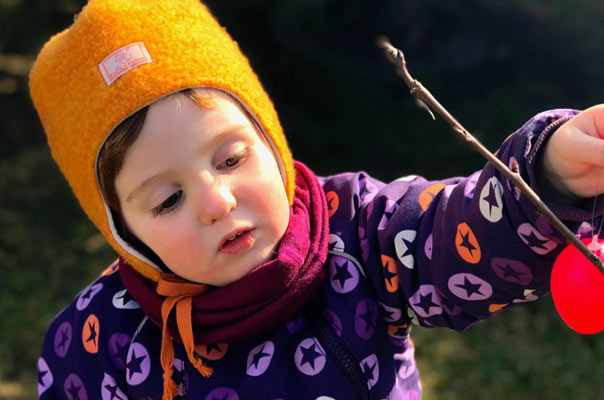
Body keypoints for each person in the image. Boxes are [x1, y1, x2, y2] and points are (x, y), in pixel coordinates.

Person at [30, 0, 604, 399]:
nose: (217, 200)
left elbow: (459, 237)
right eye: (166, 200)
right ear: (123, 232)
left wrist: (547, 171)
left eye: (231, 159)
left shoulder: (358, 232)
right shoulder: (98, 345)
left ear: (271, 141)